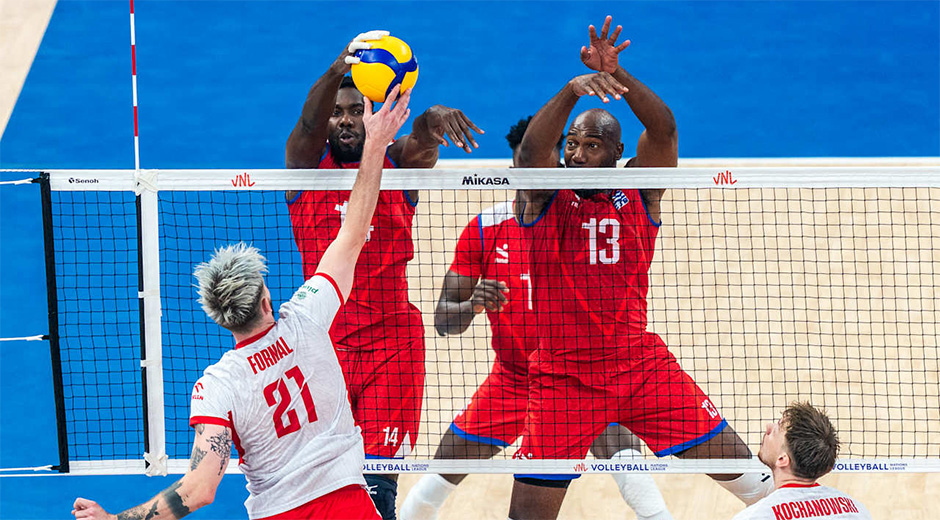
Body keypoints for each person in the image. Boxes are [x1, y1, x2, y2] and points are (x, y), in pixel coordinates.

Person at [71, 86, 413, 520]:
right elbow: (354, 232)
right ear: (267, 299)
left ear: (219, 317)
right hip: (349, 506)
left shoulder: (217, 385)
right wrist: (377, 144)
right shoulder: (307, 317)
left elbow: (197, 491)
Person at [508, 16, 774, 519]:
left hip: (639, 367)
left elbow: (664, 128)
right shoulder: (543, 196)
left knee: (758, 484)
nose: (577, 154)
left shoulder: (640, 190)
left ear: (617, 155)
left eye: (592, 146)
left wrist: (618, 75)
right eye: (572, 144)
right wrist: (572, 89)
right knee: (527, 515)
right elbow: (530, 154)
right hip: (564, 380)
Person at [399, 117, 672, 520]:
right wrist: (472, 304)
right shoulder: (484, 230)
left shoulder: (583, 218)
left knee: (631, 472)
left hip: (579, 379)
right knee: (436, 479)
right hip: (512, 379)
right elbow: (443, 320)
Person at [284, 31, 483, 520]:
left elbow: (425, 138)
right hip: (321, 347)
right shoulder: (305, 167)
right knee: (319, 487)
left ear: (374, 114)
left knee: (377, 490)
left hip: (391, 347)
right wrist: (339, 68)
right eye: (338, 112)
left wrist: (433, 116)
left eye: (357, 110)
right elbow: (307, 123)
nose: (346, 120)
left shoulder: (397, 165)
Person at [732, 403, 872, 520]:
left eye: (776, 430)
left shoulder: (754, 516)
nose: (769, 427)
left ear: (782, 459)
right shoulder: (857, 510)